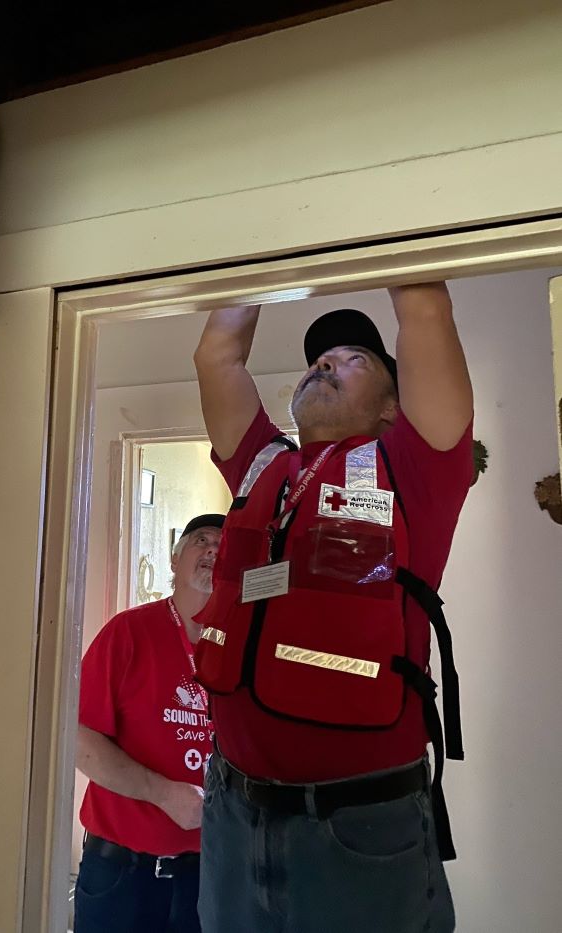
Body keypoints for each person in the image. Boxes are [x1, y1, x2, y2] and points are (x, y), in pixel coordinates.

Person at [192, 283, 473, 933]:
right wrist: (270, 244)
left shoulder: (416, 470)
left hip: (358, 830)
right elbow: (218, 356)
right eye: (321, 357)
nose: (325, 362)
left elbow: (424, 305)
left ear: (393, 409)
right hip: (232, 814)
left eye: (356, 360)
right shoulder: (264, 467)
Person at [74, 514, 225, 933]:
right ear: (174, 562)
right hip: (122, 872)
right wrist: (161, 793)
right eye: (200, 540)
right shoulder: (128, 632)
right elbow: (78, 739)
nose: (213, 548)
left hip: (214, 875)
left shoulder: (248, 645)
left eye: (223, 543)